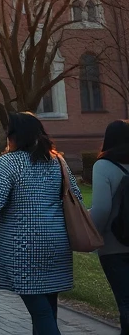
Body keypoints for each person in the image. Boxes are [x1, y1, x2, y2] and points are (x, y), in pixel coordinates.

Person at [0, 112, 81, 335]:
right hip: (57, 243)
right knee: (48, 308)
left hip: (24, 247)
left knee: (41, 314)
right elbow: (77, 198)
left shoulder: (9, 162)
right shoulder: (58, 161)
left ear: (14, 136)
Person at [91, 120, 129, 335]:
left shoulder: (104, 166)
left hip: (114, 247)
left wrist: (92, 235)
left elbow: (102, 208)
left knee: (125, 302)